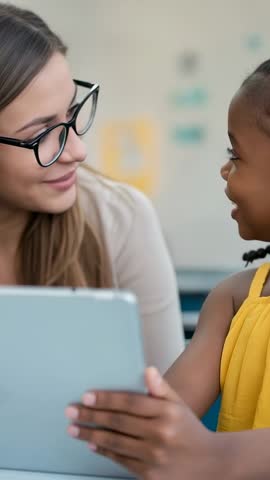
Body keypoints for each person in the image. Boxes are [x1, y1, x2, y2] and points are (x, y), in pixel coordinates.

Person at [66, 59, 270, 479]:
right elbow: (161, 420)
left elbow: (206, 457)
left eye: (236, 153)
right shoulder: (232, 301)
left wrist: (217, 457)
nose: (225, 168)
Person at [0, 3, 185, 374]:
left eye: (70, 114)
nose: (78, 151)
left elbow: (168, 404)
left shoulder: (119, 218)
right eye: (40, 134)